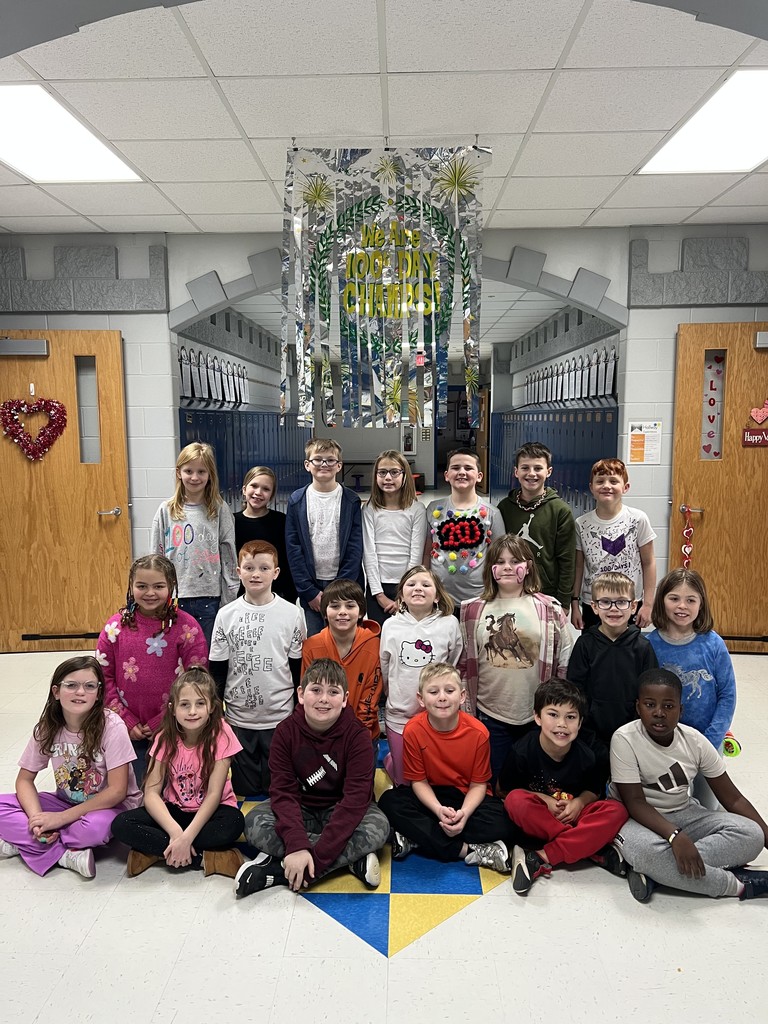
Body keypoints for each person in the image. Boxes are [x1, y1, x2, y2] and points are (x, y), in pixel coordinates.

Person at [234, 659, 390, 898]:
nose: (324, 699)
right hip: (300, 808)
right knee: (253, 822)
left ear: (346, 698)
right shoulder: (285, 732)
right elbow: (283, 793)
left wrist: (313, 858)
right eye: (316, 690)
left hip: (341, 809)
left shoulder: (358, 736)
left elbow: (355, 800)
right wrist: (297, 844)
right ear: (301, 694)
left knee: (379, 828)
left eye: (333, 692)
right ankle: (349, 862)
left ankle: (279, 869)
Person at [610, 669, 768, 902]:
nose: (659, 713)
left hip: (684, 812)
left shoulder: (695, 741)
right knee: (647, 854)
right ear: (638, 707)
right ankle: (739, 884)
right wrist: (675, 837)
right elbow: (635, 802)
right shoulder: (624, 739)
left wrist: (767, 836)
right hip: (636, 819)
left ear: (680, 710)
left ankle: (660, 874)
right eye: (650, 704)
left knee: (752, 834)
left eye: (668, 706)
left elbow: (733, 799)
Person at [0, 656, 141, 878]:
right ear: (56, 692)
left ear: (98, 693)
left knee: (95, 829)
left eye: (89, 686)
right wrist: (38, 818)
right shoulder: (47, 727)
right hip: (65, 802)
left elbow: (117, 791)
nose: (80, 692)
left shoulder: (112, 726)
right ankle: (65, 854)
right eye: (71, 685)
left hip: (109, 807)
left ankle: (23, 844)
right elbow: (24, 780)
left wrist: (59, 819)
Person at [378, 663, 520, 871]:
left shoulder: (478, 733)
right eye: (433, 692)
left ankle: (418, 838)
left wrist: (463, 814)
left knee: (506, 822)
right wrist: (437, 810)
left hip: (465, 797)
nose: (442, 697)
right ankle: (468, 851)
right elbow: (419, 781)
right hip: (431, 797)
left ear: (462, 696)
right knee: (389, 802)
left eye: (449, 690)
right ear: (421, 699)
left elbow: (479, 785)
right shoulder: (413, 730)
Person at [112, 668, 245, 879]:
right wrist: (176, 834)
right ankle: (205, 858)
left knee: (234, 823)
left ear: (211, 707)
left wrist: (187, 837)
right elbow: (151, 793)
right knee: (121, 825)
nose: (192, 711)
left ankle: (158, 853)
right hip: (174, 813)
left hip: (211, 812)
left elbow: (213, 794)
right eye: (185, 705)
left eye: (200, 704)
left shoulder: (221, 732)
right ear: (173, 709)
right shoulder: (165, 737)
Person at [460, 534, 572, 784]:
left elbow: (565, 659)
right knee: (495, 783)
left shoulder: (549, 608)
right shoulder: (472, 610)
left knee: (535, 784)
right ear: (491, 568)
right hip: (490, 714)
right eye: (500, 561)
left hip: (536, 716)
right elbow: (463, 664)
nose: (508, 567)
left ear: (528, 566)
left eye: (515, 561)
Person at [500, 679, 629, 895]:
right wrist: (544, 799)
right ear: (537, 717)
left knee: (617, 810)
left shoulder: (587, 756)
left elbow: (594, 792)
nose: (562, 724)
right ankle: (586, 846)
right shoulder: (522, 751)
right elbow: (504, 792)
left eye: (570, 717)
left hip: (573, 814)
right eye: (553, 714)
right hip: (542, 819)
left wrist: (579, 803)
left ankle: (543, 856)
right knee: (515, 801)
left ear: (579, 723)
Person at [97, 554, 208, 785]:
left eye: (158, 586)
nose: (150, 593)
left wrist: (164, 719)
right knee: (133, 792)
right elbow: (102, 678)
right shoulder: (114, 628)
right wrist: (125, 719)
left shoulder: (187, 626)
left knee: (174, 791)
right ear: (131, 586)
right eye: (142, 586)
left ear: (172, 587)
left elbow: (197, 681)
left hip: (175, 727)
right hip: (126, 729)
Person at [209, 540, 306, 797]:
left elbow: (297, 666)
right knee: (246, 789)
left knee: (278, 789)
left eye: (264, 568)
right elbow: (218, 668)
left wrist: (299, 707)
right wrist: (217, 708)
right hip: (240, 719)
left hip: (280, 717)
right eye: (249, 567)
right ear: (238, 572)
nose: (256, 574)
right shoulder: (226, 615)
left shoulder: (292, 614)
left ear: (275, 573)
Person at [648, 568, 736, 808]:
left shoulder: (713, 644)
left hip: (707, 739)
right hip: (663, 741)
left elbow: (727, 695)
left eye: (690, 600)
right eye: (674, 598)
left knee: (708, 806)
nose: (682, 606)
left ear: (701, 604)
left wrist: (712, 739)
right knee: (665, 804)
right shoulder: (648, 645)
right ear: (662, 601)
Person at [380, 565, 462, 785]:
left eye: (426, 585)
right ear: (401, 596)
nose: (418, 588)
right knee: (405, 782)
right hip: (400, 715)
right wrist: (394, 695)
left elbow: (452, 663)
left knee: (433, 777)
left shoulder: (450, 624)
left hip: (437, 716)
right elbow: (385, 668)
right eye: (411, 584)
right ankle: (392, 763)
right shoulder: (390, 626)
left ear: (437, 596)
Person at [151, 441, 238, 647]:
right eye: (188, 471)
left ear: (210, 475)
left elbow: (228, 555)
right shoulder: (166, 511)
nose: (195, 477)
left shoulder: (219, 509)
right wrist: (158, 594)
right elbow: (156, 558)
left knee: (204, 654)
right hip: (174, 597)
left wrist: (229, 598)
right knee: (175, 654)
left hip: (210, 596)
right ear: (178, 472)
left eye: (201, 471)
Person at [566, 571, 657, 766]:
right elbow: (575, 691)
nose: (613, 609)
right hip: (590, 735)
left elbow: (650, 694)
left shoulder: (643, 647)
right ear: (595, 607)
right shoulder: (584, 644)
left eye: (622, 602)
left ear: (633, 607)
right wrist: (585, 732)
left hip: (633, 736)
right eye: (605, 602)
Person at [285, 437, 363, 637]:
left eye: (330, 460)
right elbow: (293, 548)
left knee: (347, 639)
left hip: (345, 585)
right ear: (307, 465)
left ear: (339, 466)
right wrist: (309, 591)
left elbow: (355, 547)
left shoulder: (351, 500)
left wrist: (340, 590)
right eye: (317, 459)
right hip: (312, 587)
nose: (324, 464)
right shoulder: (297, 500)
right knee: (316, 640)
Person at [572, 458, 657, 630]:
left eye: (613, 481)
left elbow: (649, 563)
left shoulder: (638, 519)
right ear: (591, 487)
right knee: (595, 652)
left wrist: (648, 604)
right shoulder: (581, 524)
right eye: (600, 481)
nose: (606, 486)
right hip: (594, 604)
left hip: (628, 602)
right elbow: (579, 567)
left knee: (627, 652)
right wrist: (575, 604)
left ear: (625, 487)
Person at [301, 579, 381, 747]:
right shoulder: (311, 647)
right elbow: (310, 696)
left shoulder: (374, 646)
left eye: (350, 606)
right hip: (321, 735)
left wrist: (357, 739)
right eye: (335, 606)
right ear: (324, 612)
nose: (342, 612)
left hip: (362, 736)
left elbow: (370, 700)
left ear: (360, 612)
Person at [497, 441, 576, 612]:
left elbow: (567, 560)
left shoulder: (560, 511)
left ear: (549, 472)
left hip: (547, 593)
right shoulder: (504, 508)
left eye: (538, 468)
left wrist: (564, 601)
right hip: (509, 591)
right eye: (525, 468)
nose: (531, 474)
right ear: (516, 472)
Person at [424, 447, 503, 609]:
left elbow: (499, 557)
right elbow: (426, 551)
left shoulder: (492, 513)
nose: (461, 472)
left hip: (479, 596)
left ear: (479, 476)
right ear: (446, 475)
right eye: (455, 468)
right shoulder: (433, 509)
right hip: (440, 595)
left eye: (468, 468)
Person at [362, 449, 427, 625]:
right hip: (378, 588)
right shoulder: (369, 509)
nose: (388, 478)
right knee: (381, 641)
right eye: (382, 472)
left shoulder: (417, 510)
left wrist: (405, 593)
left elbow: (416, 553)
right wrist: (378, 593)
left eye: (394, 472)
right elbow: (369, 553)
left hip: (409, 587)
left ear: (405, 475)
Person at [234, 465, 297, 605]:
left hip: (278, 595)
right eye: (254, 486)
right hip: (241, 597)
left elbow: (288, 561)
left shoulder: (282, 521)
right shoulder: (232, 522)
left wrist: (289, 596)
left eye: (266, 489)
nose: (258, 492)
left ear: (272, 495)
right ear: (244, 490)